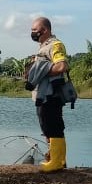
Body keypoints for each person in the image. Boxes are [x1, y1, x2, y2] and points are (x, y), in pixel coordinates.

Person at [27, 16, 69, 172]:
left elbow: (62, 66)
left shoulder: (55, 45)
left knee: (54, 127)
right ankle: (56, 159)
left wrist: (41, 71)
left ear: (44, 30)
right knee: (47, 127)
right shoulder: (43, 46)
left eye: (34, 30)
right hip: (43, 95)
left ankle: (57, 162)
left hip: (51, 95)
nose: (32, 33)